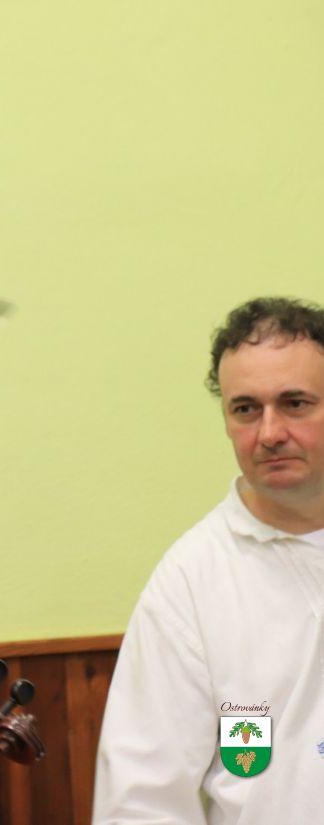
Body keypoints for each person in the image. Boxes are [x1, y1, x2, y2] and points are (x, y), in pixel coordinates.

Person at [92, 296, 324, 824]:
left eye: (295, 403)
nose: (270, 433)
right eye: (246, 409)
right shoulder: (191, 581)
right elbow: (141, 801)